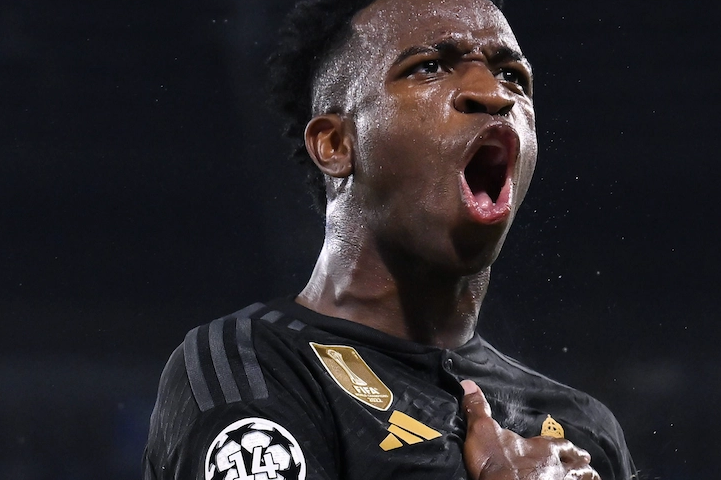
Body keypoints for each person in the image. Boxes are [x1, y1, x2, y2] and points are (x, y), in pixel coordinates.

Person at [143, 0, 637, 478]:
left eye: (512, 75)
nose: (492, 93)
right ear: (335, 144)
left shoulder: (586, 431)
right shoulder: (252, 363)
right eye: (429, 67)